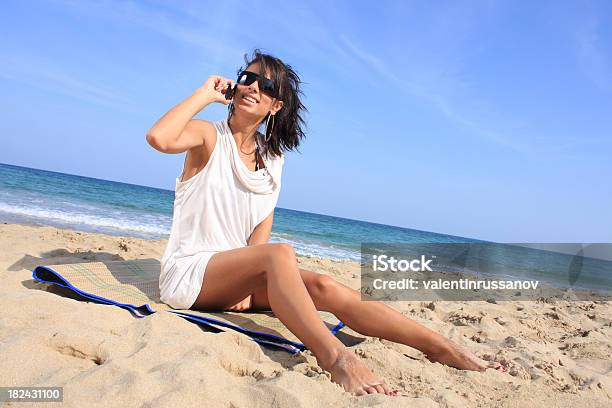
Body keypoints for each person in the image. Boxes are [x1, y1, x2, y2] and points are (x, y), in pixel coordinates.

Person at [146, 49, 505, 396]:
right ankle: (336, 358)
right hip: (190, 274)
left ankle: (439, 345)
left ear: (276, 106)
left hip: (231, 278)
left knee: (323, 285)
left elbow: (259, 233)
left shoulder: (273, 159)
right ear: (235, 87)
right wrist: (204, 94)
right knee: (280, 255)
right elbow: (159, 137)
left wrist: (242, 282)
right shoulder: (209, 136)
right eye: (248, 79)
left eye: (267, 86)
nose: (254, 87)